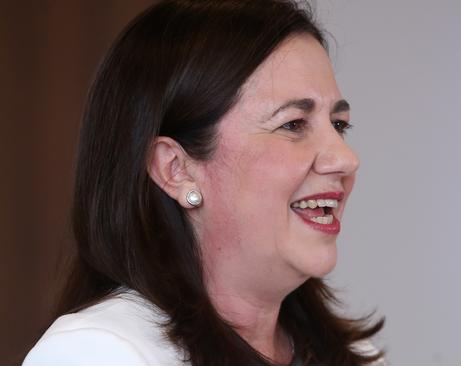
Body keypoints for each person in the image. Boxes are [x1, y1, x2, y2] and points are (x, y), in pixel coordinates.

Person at [22, 0, 385, 365]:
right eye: (293, 124)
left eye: (339, 125)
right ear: (175, 169)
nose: (345, 158)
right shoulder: (98, 352)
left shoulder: (358, 358)